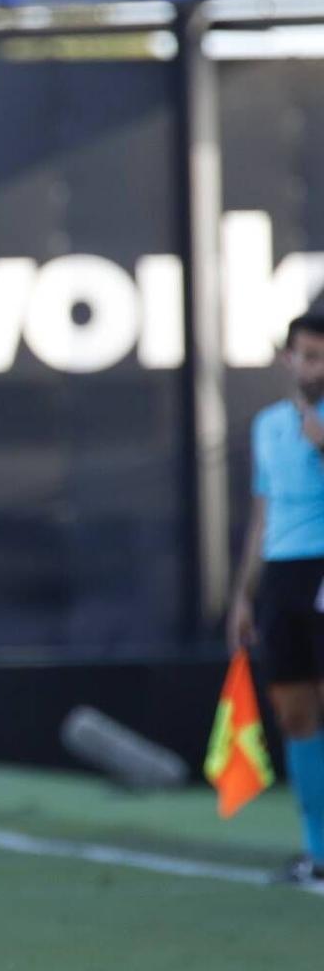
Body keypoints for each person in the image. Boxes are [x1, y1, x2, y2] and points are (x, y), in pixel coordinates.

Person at [226, 309, 324, 888]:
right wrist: (243, 595)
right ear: (287, 358)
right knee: (295, 714)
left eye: (320, 357)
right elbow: (262, 516)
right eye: (304, 355)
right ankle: (316, 851)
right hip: (283, 579)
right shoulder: (267, 425)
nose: (311, 367)